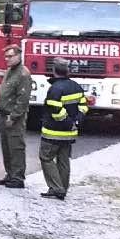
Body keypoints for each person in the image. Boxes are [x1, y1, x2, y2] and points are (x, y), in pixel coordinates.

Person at [38, 60, 89, 201]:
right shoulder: (76, 86)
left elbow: (55, 110)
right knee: (63, 160)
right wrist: (75, 121)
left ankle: (56, 188)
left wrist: (68, 123)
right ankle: (63, 187)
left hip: (53, 132)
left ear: (54, 71)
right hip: (70, 133)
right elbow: (84, 106)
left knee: (46, 157)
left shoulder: (55, 88)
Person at [0, 44, 31, 189]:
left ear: (18, 56)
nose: (7, 59)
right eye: (6, 56)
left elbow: (23, 99)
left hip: (14, 117)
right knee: (6, 147)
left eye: (10, 56)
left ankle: (18, 177)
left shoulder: (23, 74)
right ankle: (10, 173)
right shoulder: (10, 71)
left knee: (16, 147)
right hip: (4, 114)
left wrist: (14, 116)